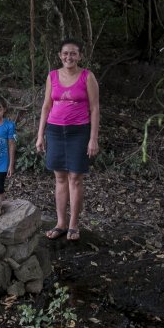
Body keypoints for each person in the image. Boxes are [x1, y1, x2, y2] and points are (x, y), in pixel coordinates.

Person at [35, 38, 100, 241]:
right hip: (54, 131)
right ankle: (61, 223)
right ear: (60, 56)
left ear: (79, 56)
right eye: (65, 53)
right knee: (60, 178)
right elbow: (46, 106)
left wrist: (93, 138)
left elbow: (95, 108)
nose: (69, 57)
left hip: (79, 132)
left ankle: (73, 225)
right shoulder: (52, 76)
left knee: (75, 178)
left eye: (73, 53)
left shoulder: (87, 77)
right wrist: (40, 135)